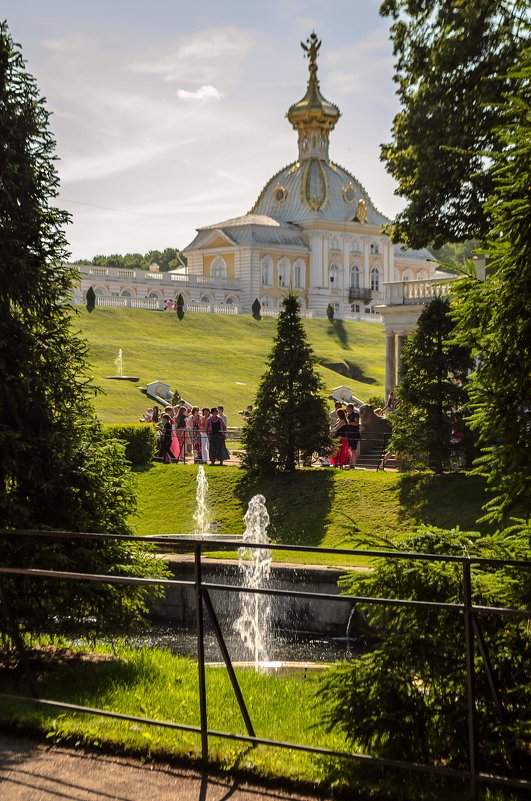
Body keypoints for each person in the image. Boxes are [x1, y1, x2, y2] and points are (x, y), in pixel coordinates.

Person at [345, 403, 361, 468]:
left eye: (347, 408)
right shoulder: (346, 415)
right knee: (346, 448)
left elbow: (356, 423)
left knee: (353, 449)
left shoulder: (355, 414)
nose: (346, 409)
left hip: (354, 434)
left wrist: (347, 422)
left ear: (351, 408)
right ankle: (351, 460)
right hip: (347, 434)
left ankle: (353, 464)